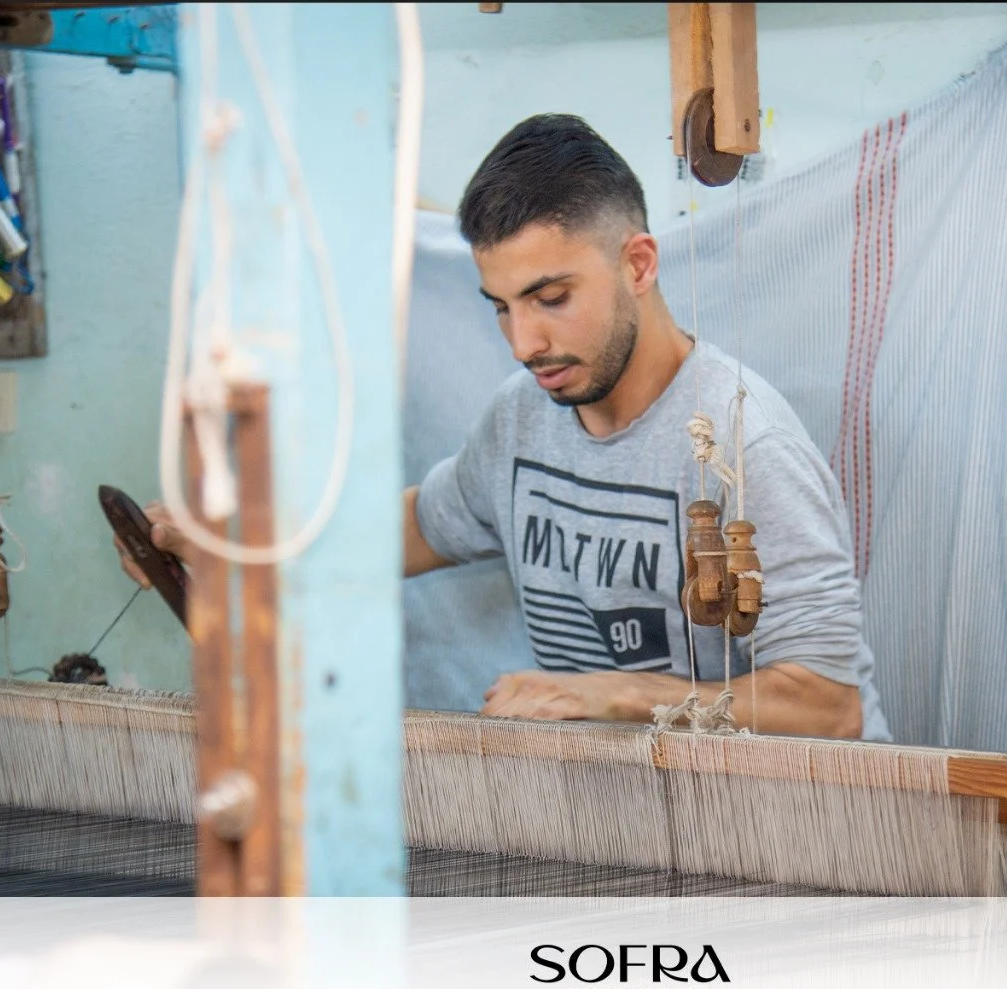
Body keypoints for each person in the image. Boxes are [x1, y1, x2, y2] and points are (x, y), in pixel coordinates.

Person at [117, 114, 890, 742]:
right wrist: (236, 542)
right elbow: (414, 530)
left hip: (787, 831)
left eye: (551, 298)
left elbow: (829, 708)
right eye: (502, 307)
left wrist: (615, 695)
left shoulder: (743, 447)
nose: (524, 344)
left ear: (639, 265)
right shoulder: (522, 419)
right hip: (634, 817)